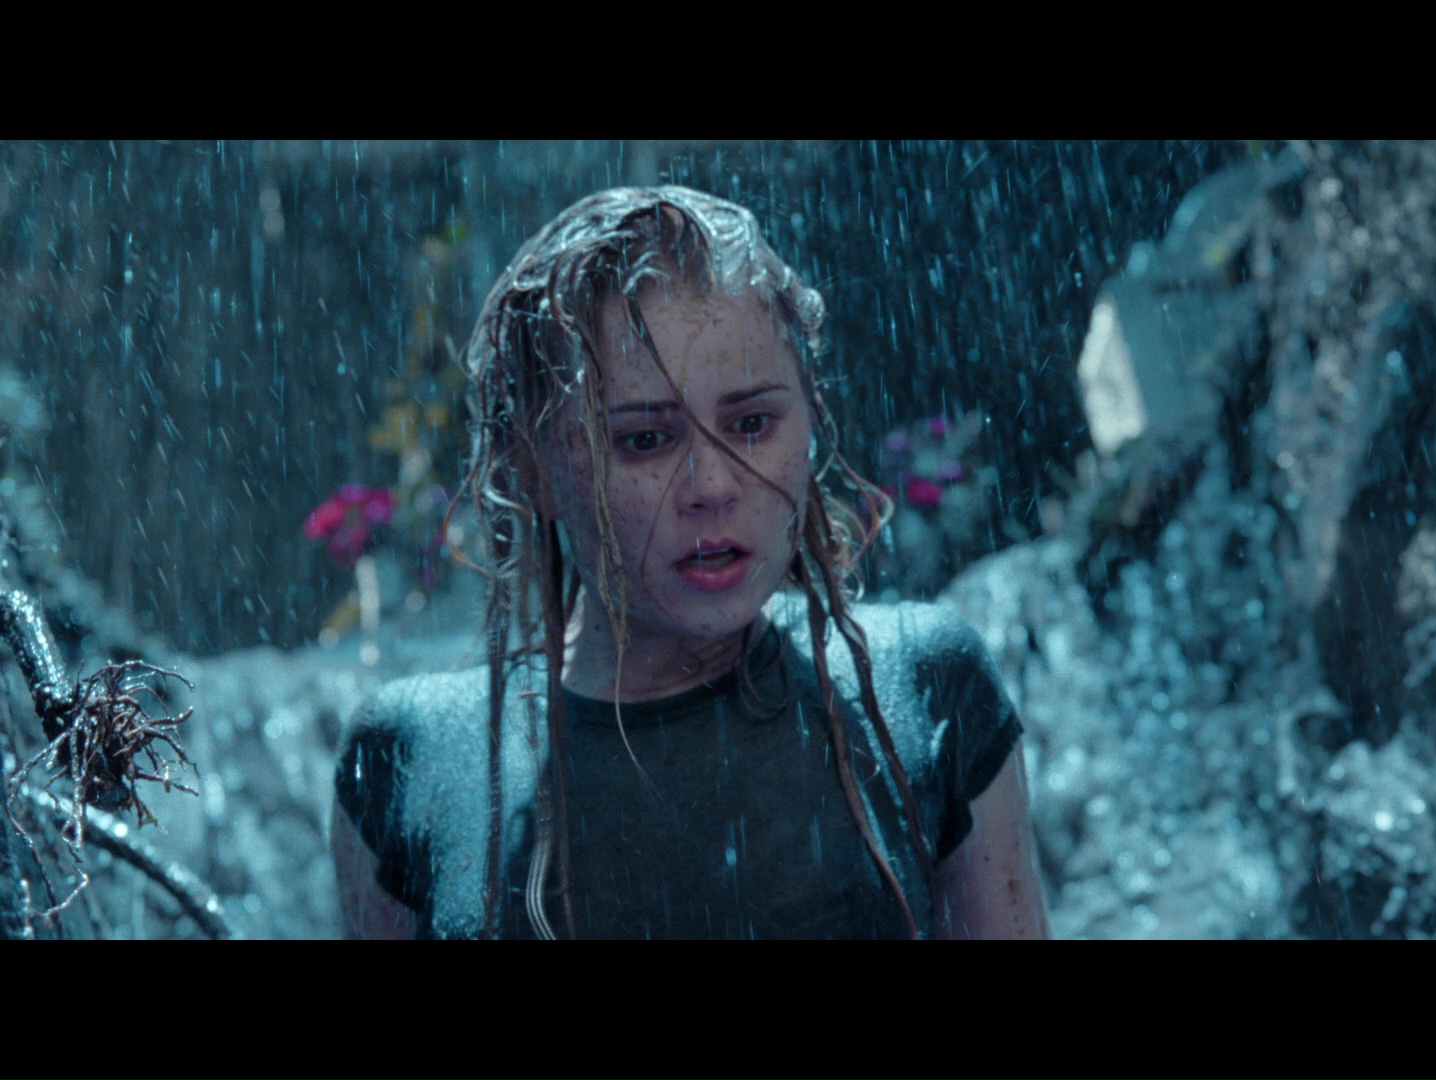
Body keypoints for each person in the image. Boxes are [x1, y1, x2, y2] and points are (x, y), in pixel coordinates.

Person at [330, 186, 1051, 939]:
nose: (712, 486)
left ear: (811, 417)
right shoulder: (411, 758)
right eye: (644, 440)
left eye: (752, 423)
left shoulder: (923, 689)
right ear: (531, 467)